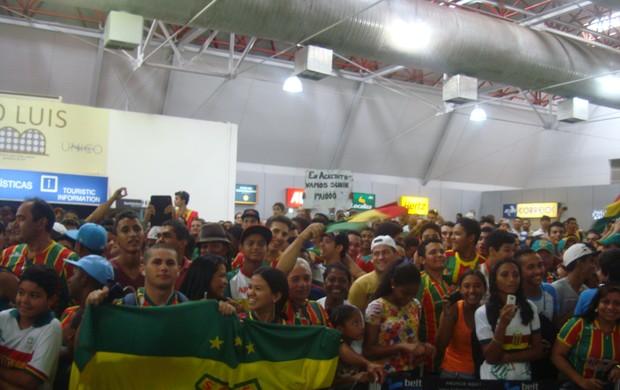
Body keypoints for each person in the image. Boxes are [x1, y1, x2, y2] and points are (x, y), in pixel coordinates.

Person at [1, 198, 78, 316]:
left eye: (21, 218)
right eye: (15, 218)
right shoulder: (7, 253)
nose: (14, 224)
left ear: (41, 223)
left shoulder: (67, 259)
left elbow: (75, 308)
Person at [474, 258, 543, 380]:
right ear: (494, 279)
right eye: (504, 275)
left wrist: (506, 357)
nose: (511, 279)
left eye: (515, 275)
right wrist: (502, 324)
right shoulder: (483, 312)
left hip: (523, 379)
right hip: (492, 380)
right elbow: (491, 357)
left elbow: (537, 351)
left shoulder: (529, 307)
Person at [364, 259, 434, 377]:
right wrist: (400, 347)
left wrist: (423, 347)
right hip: (386, 374)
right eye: (404, 293)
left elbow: (410, 339)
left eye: (413, 293)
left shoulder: (415, 305)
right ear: (393, 284)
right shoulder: (377, 308)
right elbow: (368, 350)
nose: (408, 298)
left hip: (412, 372)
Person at [0, 265, 62, 389]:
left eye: (34, 296)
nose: (24, 300)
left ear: (51, 299)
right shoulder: (4, 317)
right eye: (21, 292)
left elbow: (29, 381)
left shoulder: (51, 327)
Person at [551, 283, 620, 390]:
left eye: (617, 303)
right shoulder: (578, 324)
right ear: (596, 305)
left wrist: (618, 367)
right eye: (605, 302)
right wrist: (581, 381)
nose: (611, 307)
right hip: (572, 384)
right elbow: (556, 356)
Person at [88, 243, 188, 307]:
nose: (164, 268)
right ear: (142, 269)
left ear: (178, 269)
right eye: (157, 262)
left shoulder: (187, 309)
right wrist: (91, 306)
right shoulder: (125, 306)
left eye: (170, 263)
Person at [436, 269, 487, 379]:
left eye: (477, 286)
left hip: (482, 373)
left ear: (484, 289)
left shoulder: (487, 312)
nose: (472, 290)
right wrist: (447, 316)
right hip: (453, 373)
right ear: (460, 290)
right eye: (467, 286)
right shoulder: (454, 309)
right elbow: (440, 346)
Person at [415, 238, 449, 375]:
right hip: (425, 356)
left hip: (444, 355)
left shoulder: (446, 285)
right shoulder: (421, 283)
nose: (440, 255)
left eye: (442, 251)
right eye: (433, 252)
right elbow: (412, 319)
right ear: (422, 260)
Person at [330, 305, 377, 389]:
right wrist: (352, 379)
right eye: (355, 323)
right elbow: (327, 381)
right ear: (340, 329)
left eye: (361, 322)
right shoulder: (333, 347)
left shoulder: (359, 344)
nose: (362, 327)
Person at [348, 236, 398, 311]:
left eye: (385, 252)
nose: (381, 257)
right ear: (371, 258)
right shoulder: (361, 285)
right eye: (376, 254)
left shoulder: (402, 281)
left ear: (395, 255)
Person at [552, 243, 599, 325]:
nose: (594, 266)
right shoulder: (556, 289)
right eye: (591, 261)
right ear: (579, 263)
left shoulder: (586, 291)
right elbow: (553, 325)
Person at [283, 258, 330, 326]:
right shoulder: (279, 307)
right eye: (295, 279)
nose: (302, 284)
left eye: (306, 278)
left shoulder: (317, 308)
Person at [574, 248, 620, 316]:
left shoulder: (588, 295)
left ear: (607, 274)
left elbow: (577, 320)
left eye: (598, 269)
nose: (596, 273)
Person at [109, 210, 145, 291]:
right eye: (125, 230)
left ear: (144, 235)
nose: (133, 234)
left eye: (137, 229)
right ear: (115, 239)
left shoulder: (152, 268)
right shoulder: (108, 270)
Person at [444, 217, 485, 286]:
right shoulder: (444, 257)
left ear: (471, 238)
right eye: (452, 234)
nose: (452, 237)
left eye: (457, 234)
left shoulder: (482, 264)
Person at [156, 220, 193, 289]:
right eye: (158, 236)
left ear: (182, 243)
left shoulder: (193, 269)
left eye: (166, 236)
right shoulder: (150, 267)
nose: (160, 240)